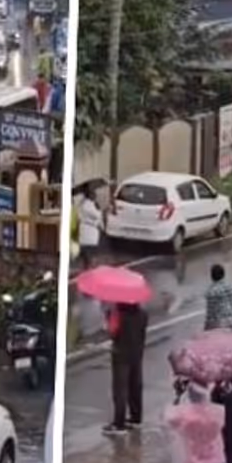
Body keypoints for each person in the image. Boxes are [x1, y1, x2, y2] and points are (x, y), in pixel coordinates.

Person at [164, 382, 227, 463]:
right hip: (214, 461)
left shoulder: (183, 414)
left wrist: (177, 396)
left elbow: (169, 417)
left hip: (192, 462)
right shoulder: (216, 412)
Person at [104, 302, 147, 435]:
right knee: (135, 385)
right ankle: (136, 418)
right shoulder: (143, 314)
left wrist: (109, 317)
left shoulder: (118, 315)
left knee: (120, 389)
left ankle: (119, 424)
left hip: (121, 354)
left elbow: (112, 332)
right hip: (137, 353)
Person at [77, 182, 104, 271]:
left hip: (87, 232)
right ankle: (88, 270)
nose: (95, 195)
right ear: (89, 194)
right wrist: (100, 210)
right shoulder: (87, 205)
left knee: (87, 256)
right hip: (89, 233)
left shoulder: (85, 203)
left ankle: (87, 269)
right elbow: (97, 215)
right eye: (93, 193)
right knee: (89, 255)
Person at [204, 264, 232, 331]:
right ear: (223, 275)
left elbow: (210, 312)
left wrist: (206, 327)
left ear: (212, 276)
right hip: (228, 321)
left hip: (213, 325)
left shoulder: (210, 291)